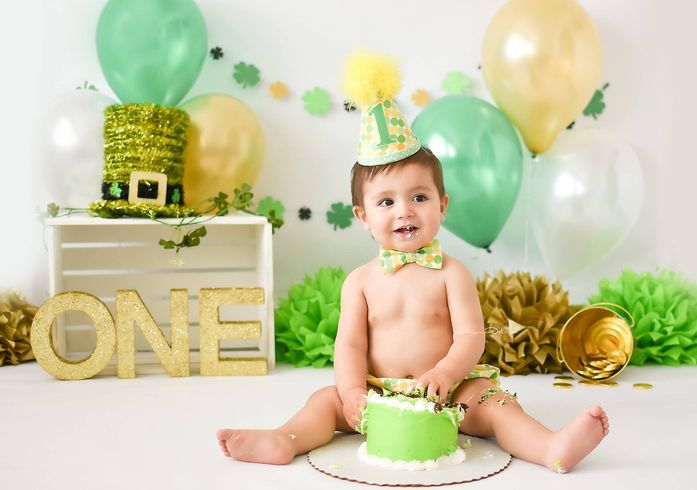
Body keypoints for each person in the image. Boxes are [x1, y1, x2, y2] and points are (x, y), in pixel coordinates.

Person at [216, 52, 609, 473]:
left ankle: (550, 446)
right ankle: (284, 439)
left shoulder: (452, 274)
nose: (404, 211)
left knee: (496, 405)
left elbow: (471, 337)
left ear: (442, 205)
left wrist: (445, 373)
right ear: (363, 217)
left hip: (448, 391)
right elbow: (350, 344)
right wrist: (351, 392)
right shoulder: (360, 282)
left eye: (419, 197)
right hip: (376, 395)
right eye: (387, 202)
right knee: (323, 403)